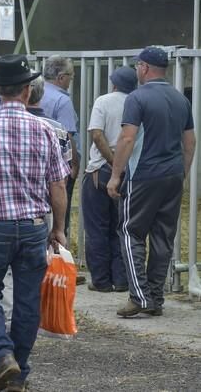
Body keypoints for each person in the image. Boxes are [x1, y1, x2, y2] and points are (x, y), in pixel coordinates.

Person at [0, 54, 69, 391]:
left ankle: (2, 355)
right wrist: (58, 228)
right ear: (27, 91)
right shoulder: (45, 130)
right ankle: (19, 371)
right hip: (32, 224)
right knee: (27, 299)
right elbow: (58, 184)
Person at [107, 46, 196, 317]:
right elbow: (190, 141)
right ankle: (156, 297)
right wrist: (183, 173)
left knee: (130, 232)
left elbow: (127, 138)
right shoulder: (181, 99)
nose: (136, 70)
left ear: (144, 68)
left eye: (137, 66)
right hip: (172, 174)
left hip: (144, 174)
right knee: (163, 237)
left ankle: (140, 297)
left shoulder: (137, 97)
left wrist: (115, 175)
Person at [82, 67, 136, 293]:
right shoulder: (137, 102)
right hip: (130, 171)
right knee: (121, 227)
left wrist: (113, 163)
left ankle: (101, 280)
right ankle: (122, 279)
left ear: (113, 83)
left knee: (97, 227)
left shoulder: (103, 101)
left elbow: (96, 133)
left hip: (100, 170)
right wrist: (122, 166)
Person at [41, 56, 80, 239]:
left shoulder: (35, 91)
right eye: (70, 76)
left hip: (37, 162)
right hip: (59, 166)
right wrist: (74, 165)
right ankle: (57, 253)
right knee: (59, 212)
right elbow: (68, 135)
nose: (71, 80)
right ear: (61, 77)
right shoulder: (62, 101)